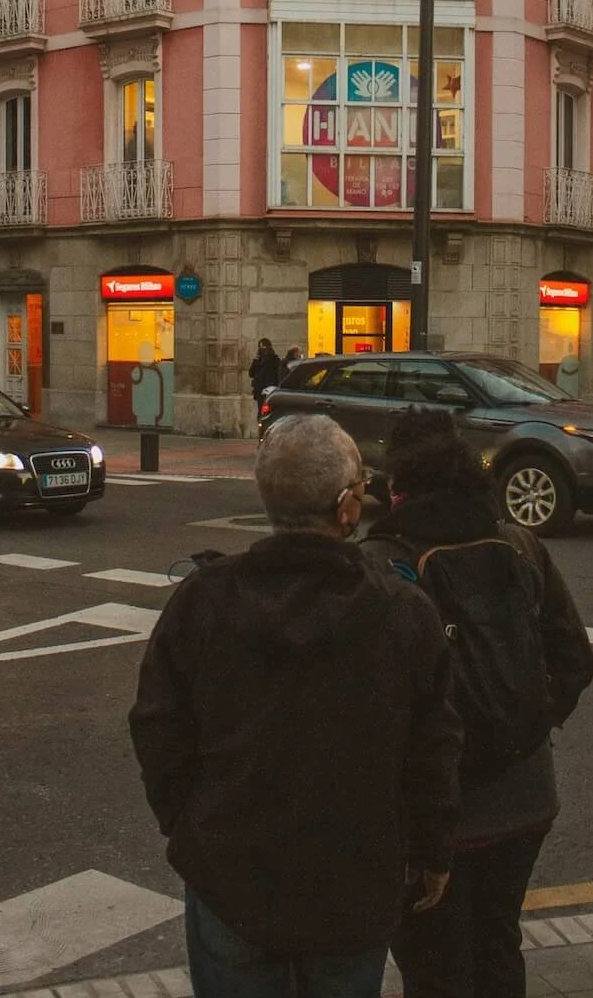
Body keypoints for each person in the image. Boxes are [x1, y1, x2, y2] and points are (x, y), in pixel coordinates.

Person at [129, 414, 463, 998]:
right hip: (353, 879)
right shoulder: (401, 612)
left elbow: (158, 725)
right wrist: (432, 850)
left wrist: (188, 825)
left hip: (231, 875)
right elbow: (432, 747)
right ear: (347, 507)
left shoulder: (204, 600)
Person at [363, 411, 593, 998]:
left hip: (431, 814)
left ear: (399, 484)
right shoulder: (519, 543)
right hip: (525, 797)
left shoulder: (382, 559)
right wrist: (526, 724)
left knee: (432, 963)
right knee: (497, 941)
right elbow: (574, 659)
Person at [247, 336, 280, 406]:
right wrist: (255, 361)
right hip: (260, 390)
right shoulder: (258, 360)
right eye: (260, 347)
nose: (262, 349)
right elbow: (251, 373)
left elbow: (279, 374)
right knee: (261, 409)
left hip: (270, 390)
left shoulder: (274, 359)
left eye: (264, 347)